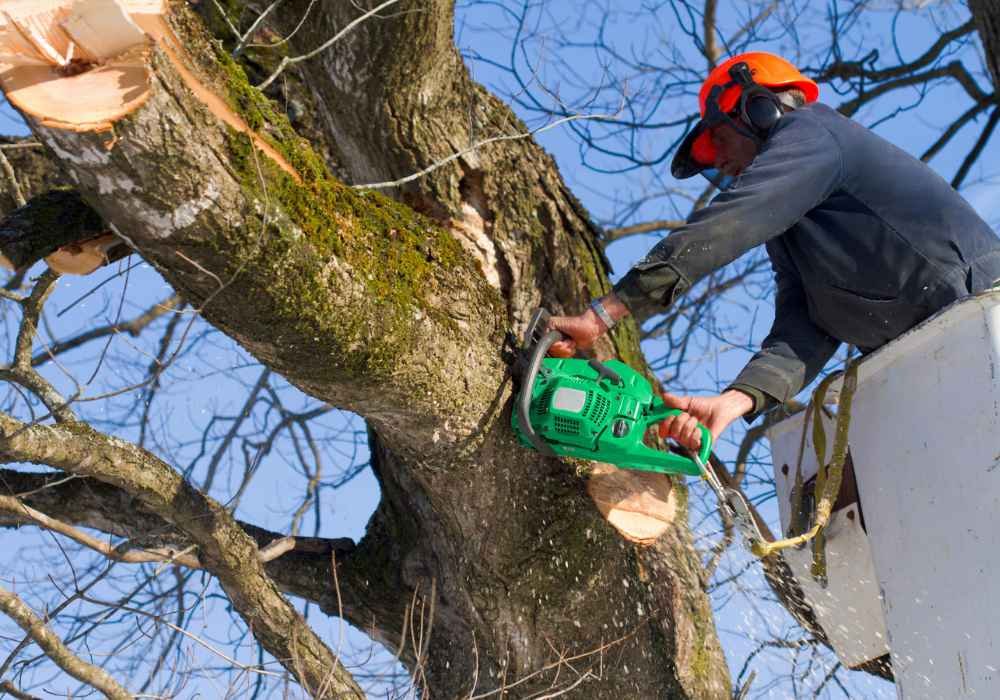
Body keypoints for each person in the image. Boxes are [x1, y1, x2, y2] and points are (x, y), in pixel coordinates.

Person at [549, 51, 1000, 451]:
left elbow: (731, 221)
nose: (720, 163)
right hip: (936, 356)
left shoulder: (816, 133)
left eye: (720, 142)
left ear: (759, 109)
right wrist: (737, 399)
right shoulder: (795, 231)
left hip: (981, 313)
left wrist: (605, 313)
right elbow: (805, 326)